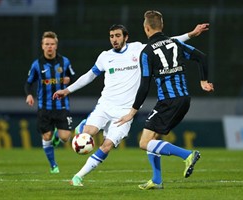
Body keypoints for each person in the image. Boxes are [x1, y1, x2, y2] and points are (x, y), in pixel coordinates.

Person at [53, 22, 209, 186]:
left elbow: (166, 43)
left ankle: (78, 177)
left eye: (118, 35)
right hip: (105, 106)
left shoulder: (138, 49)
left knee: (106, 146)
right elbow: (89, 76)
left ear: (126, 37)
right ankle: (83, 127)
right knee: (87, 133)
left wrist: (191, 34)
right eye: (112, 36)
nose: (114, 39)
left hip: (125, 113)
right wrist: (67, 90)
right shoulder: (105, 56)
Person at [116, 10, 214, 190]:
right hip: (184, 99)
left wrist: (132, 112)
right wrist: (203, 81)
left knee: (144, 143)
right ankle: (157, 180)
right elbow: (202, 57)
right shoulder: (175, 43)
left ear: (146, 28)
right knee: (151, 138)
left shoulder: (146, 52)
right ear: (162, 26)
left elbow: (144, 86)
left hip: (168, 101)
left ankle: (188, 155)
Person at [25, 31, 75, 174]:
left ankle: (56, 139)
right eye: (47, 44)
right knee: (46, 136)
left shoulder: (65, 62)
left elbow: (72, 76)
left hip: (62, 106)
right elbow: (28, 83)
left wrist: (68, 79)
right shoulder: (37, 65)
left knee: (65, 138)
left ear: (56, 46)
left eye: (52, 44)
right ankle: (53, 165)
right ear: (42, 46)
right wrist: (29, 95)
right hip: (44, 107)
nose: (49, 47)